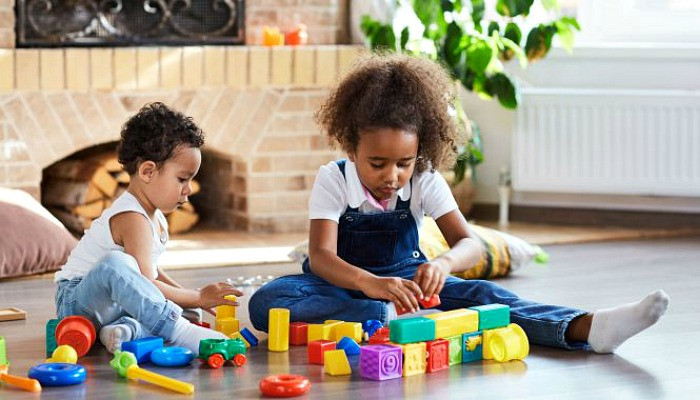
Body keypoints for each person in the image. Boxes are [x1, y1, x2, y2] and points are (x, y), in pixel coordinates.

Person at [248, 54, 669, 353]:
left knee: (486, 294)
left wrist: (444, 265)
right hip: (341, 284)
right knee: (269, 301)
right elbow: (322, 257)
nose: (392, 176)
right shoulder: (334, 178)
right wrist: (371, 285)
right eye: (377, 163)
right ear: (351, 148)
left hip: (410, 285)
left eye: (403, 163)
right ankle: (385, 315)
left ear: (420, 152)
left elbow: (470, 244)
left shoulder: (425, 179)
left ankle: (588, 328)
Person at [54, 102, 241, 354]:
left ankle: (126, 330)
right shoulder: (133, 218)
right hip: (77, 301)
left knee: (187, 310)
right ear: (148, 172)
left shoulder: (156, 216)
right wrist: (197, 296)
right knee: (116, 264)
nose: (188, 189)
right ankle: (178, 332)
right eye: (182, 179)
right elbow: (145, 281)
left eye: (192, 179)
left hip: (111, 302)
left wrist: (190, 297)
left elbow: (151, 272)